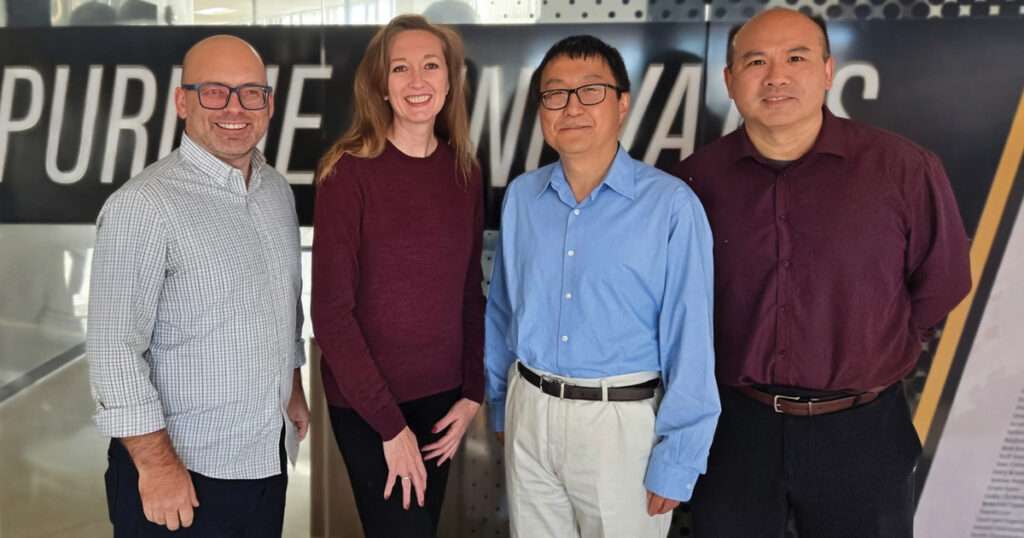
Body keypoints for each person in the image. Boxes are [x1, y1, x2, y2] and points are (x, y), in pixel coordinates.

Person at [673, 8, 972, 537]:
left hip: (862, 431)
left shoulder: (901, 169)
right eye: (756, 61)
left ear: (829, 71)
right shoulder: (694, 182)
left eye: (796, 57)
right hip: (736, 431)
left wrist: (877, 344)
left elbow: (942, 280)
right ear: (729, 80)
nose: (777, 75)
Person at [485, 35, 720, 538]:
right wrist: (504, 404)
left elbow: (691, 338)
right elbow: (503, 309)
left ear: (622, 103)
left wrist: (680, 456)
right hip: (531, 407)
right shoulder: (524, 197)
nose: (572, 107)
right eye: (556, 94)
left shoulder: (671, 207)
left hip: (620, 425)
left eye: (590, 90)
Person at [87, 35, 309, 537]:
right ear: (182, 100)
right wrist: (158, 465)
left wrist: (292, 384)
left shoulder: (275, 191)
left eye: (251, 92)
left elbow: (283, 305)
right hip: (181, 474)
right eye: (214, 91)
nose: (234, 108)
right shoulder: (143, 206)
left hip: (263, 460)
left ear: (269, 104)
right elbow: (113, 351)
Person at [311, 14, 484, 538]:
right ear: (380, 86)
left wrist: (472, 392)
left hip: (443, 400)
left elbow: (468, 295)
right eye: (400, 68)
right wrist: (390, 426)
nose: (417, 81)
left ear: (450, 80)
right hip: (369, 405)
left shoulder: (465, 172)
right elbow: (331, 314)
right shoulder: (347, 172)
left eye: (430, 66)